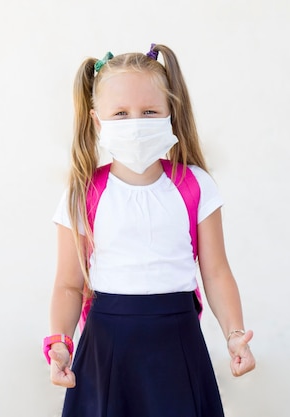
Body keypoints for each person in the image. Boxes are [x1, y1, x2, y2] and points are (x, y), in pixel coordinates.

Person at [44, 44, 256, 417]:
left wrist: (235, 335)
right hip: (106, 346)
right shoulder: (82, 193)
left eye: (149, 112)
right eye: (121, 114)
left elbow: (216, 272)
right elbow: (68, 284)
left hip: (177, 342)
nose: (136, 124)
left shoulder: (196, 185)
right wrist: (60, 342)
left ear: (169, 114)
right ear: (97, 121)